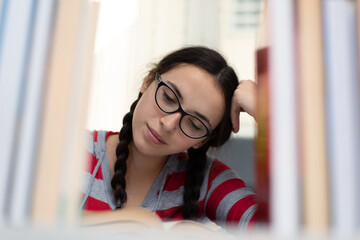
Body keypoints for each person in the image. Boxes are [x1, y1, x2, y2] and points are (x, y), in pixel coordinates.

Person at [80, 46, 257, 232]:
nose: (168, 123)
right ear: (148, 82)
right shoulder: (74, 149)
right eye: (168, 97)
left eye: (194, 124)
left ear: (202, 140)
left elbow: (276, 231)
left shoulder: (208, 180)